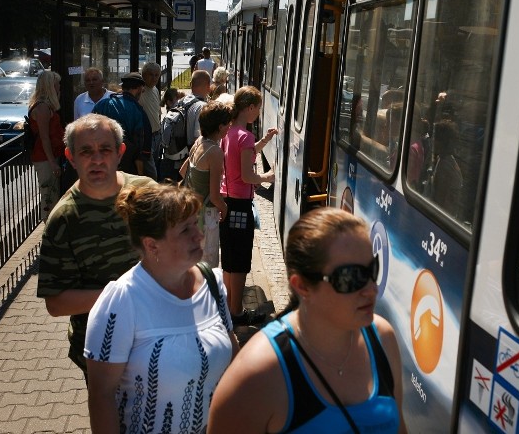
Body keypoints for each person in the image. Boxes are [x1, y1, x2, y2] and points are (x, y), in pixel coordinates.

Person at [209, 209, 406, 433]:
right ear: (302, 286)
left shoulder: (382, 338)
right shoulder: (258, 372)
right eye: (351, 277)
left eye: (373, 271)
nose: (372, 289)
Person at [85, 183, 239, 433]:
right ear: (151, 245)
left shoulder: (211, 282)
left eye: (195, 223)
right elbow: (101, 396)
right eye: (185, 229)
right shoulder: (123, 300)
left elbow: (233, 358)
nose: (199, 234)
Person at [36, 113, 154, 378]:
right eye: (86, 151)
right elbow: (55, 303)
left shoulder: (148, 193)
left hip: (154, 341)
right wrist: (125, 296)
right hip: (103, 352)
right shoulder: (63, 220)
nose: (97, 159)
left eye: (105, 149)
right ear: (70, 157)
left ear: (120, 152)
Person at [219, 86, 276, 325]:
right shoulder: (245, 136)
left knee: (229, 259)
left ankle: (227, 305)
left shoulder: (229, 132)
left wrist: (265, 140)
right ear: (250, 107)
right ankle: (237, 312)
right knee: (241, 260)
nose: (259, 113)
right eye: (258, 108)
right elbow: (246, 175)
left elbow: (246, 154)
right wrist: (266, 177)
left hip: (226, 201)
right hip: (241, 204)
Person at [179, 101, 233, 268]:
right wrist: (225, 209)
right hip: (207, 215)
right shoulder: (215, 152)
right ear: (219, 126)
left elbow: (182, 171)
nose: (229, 127)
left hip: (192, 211)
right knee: (208, 265)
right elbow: (215, 196)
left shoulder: (198, 143)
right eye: (227, 124)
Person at [92, 72, 152, 176]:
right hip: (126, 168)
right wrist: (140, 176)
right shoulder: (138, 111)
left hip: (100, 163)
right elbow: (140, 149)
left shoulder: (102, 104)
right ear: (138, 89)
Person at [160, 70, 212, 183]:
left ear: (190, 84)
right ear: (208, 86)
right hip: (184, 163)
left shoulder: (181, 101)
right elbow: (198, 140)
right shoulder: (202, 107)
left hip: (170, 157)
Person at [29, 70, 65, 219]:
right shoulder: (42, 107)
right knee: (49, 195)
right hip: (45, 158)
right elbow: (44, 137)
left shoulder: (46, 105)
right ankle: (49, 232)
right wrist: (53, 163)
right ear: (51, 86)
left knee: (53, 193)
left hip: (50, 156)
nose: (59, 87)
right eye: (57, 85)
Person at [139, 62, 162, 180]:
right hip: (147, 137)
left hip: (157, 134)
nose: (154, 78)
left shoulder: (155, 90)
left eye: (157, 75)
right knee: (152, 173)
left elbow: (158, 111)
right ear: (144, 75)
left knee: (155, 166)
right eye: (151, 75)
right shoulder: (140, 91)